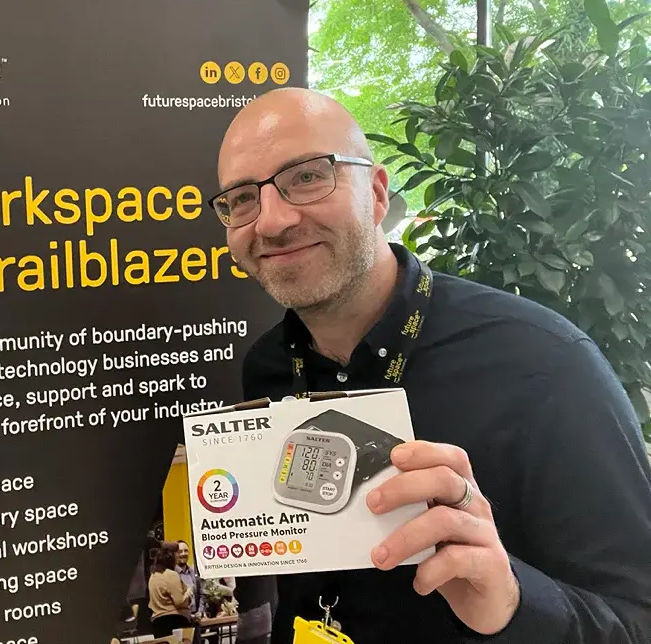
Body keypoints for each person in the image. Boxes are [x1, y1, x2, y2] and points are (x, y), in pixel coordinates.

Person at [210, 88, 651, 644]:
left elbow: (638, 619)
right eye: (242, 198)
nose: (271, 222)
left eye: (306, 177)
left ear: (375, 192)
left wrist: (512, 602)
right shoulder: (268, 368)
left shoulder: (544, 366)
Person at [148, 541, 195, 638]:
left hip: (157, 623)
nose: (179, 556)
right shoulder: (171, 574)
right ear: (170, 556)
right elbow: (179, 601)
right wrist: (189, 591)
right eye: (177, 553)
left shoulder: (153, 576)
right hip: (175, 621)